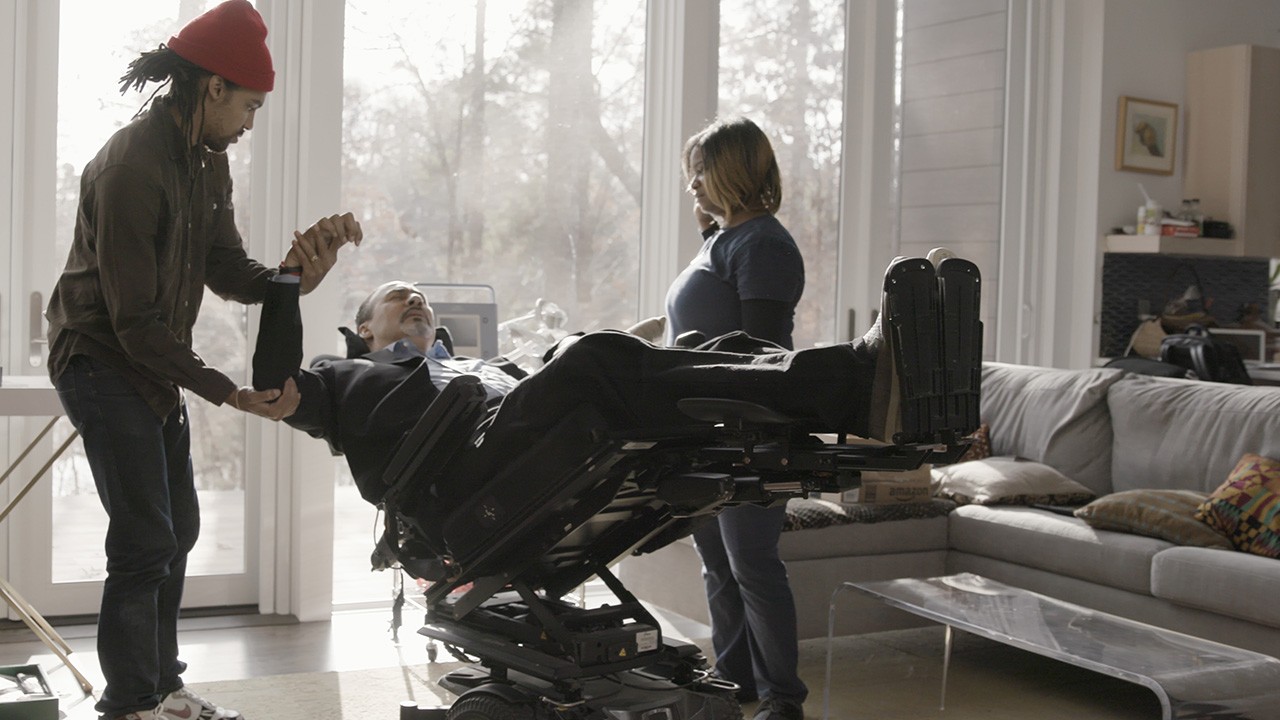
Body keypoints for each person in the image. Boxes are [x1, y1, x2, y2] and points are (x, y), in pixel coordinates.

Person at [44, 3, 361, 719]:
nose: (251, 121)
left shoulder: (205, 163)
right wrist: (228, 391)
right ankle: (130, 704)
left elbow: (228, 271)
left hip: (149, 362)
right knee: (145, 536)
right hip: (98, 358)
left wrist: (295, 272)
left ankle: (164, 688)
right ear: (214, 87)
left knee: (177, 528)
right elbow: (131, 323)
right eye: (249, 103)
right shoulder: (133, 166)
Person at [666, 117, 807, 720]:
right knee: (719, 565)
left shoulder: (765, 246)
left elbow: (762, 354)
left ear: (731, 173)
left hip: (751, 432)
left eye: (701, 172)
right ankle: (734, 683)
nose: (692, 184)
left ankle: (783, 700)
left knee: (753, 565)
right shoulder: (720, 241)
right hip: (708, 431)